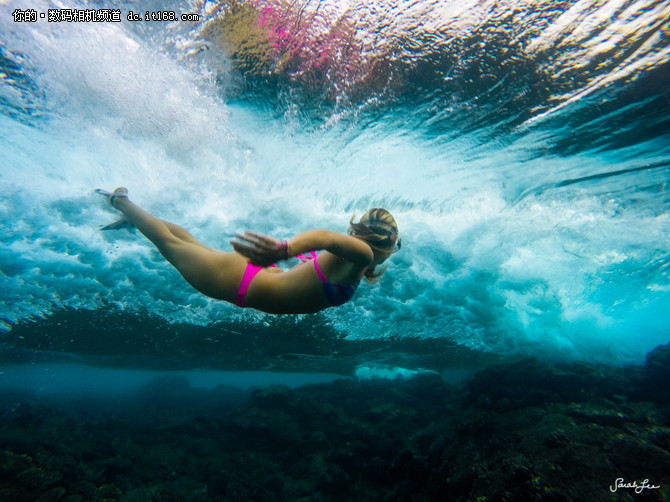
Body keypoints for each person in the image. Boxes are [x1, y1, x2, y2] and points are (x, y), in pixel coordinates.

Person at [96, 188, 401, 314]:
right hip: (245, 282)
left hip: (252, 276)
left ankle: (132, 219)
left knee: (186, 243)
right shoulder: (362, 255)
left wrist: (284, 254)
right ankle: (120, 199)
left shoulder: (353, 262)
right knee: (171, 244)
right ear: (383, 244)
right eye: (395, 243)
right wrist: (284, 250)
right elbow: (324, 236)